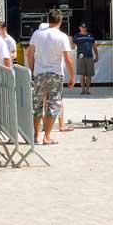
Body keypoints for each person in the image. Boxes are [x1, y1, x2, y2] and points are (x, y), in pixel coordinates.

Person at [25, 9, 75, 145]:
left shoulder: (37, 34)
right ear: (60, 21)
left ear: (48, 19)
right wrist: (72, 76)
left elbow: (30, 53)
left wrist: (32, 69)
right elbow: (68, 57)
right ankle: (47, 136)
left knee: (37, 105)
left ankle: (36, 135)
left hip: (39, 73)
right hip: (55, 74)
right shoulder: (62, 36)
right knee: (53, 105)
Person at [73, 22, 97, 95]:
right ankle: (83, 90)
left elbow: (94, 46)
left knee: (89, 75)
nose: (83, 28)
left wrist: (97, 55)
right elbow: (73, 47)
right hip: (80, 57)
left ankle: (87, 90)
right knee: (82, 74)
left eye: (84, 27)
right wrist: (70, 41)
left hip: (89, 57)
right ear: (79, 28)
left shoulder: (90, 36)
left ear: (86, 28)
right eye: (82, 27)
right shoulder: (77, 36)